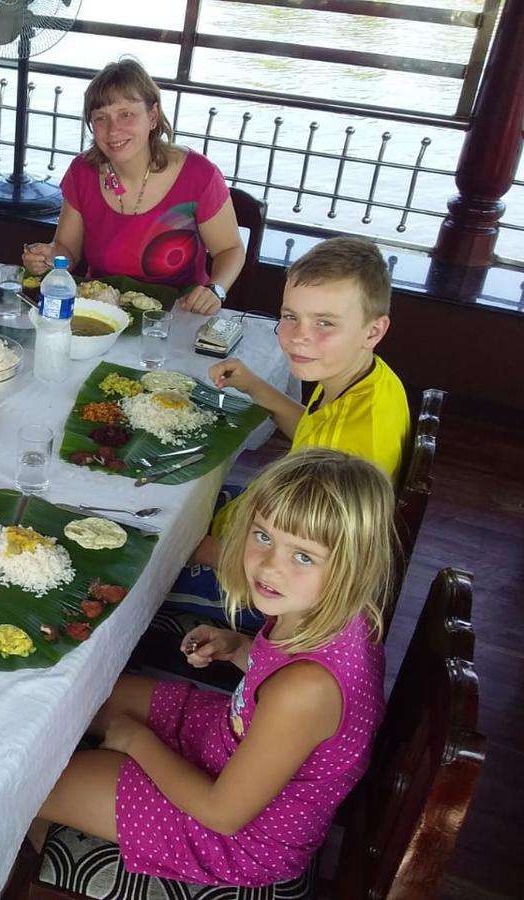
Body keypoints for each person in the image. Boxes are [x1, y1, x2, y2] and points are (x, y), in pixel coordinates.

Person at [34, 450, 395, 888]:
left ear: (352, 567)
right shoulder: (327, 611)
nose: (269, 566)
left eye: (303, 557)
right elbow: (273, 672)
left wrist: (135, 741)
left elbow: (221, 814)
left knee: (34, 787)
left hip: (236, 836)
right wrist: (238, 647)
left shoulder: (305, 691)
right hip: (229, 738)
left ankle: (18, 864)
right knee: (74, 694)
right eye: (263, 536)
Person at [173, 235, 409, 623]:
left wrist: (183, 548)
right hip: (267, 525)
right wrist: (253, 385)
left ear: (373, 331)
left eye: (325, 323)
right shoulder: (362, 378)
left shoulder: (355, 442)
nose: (300, 336)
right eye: (290, 316)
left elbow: (303, 561)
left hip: (272, 587)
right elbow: (312, 430)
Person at [22, 58, 243, 314]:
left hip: (179, 313)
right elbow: (67, 249)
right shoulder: (83, 171)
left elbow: (230, 249)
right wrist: (47, 258)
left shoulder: (198, 175)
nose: (113, 130)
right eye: (101, 118)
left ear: (152, 116)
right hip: (99, 312)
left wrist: (216, 289)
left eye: (126, 114)